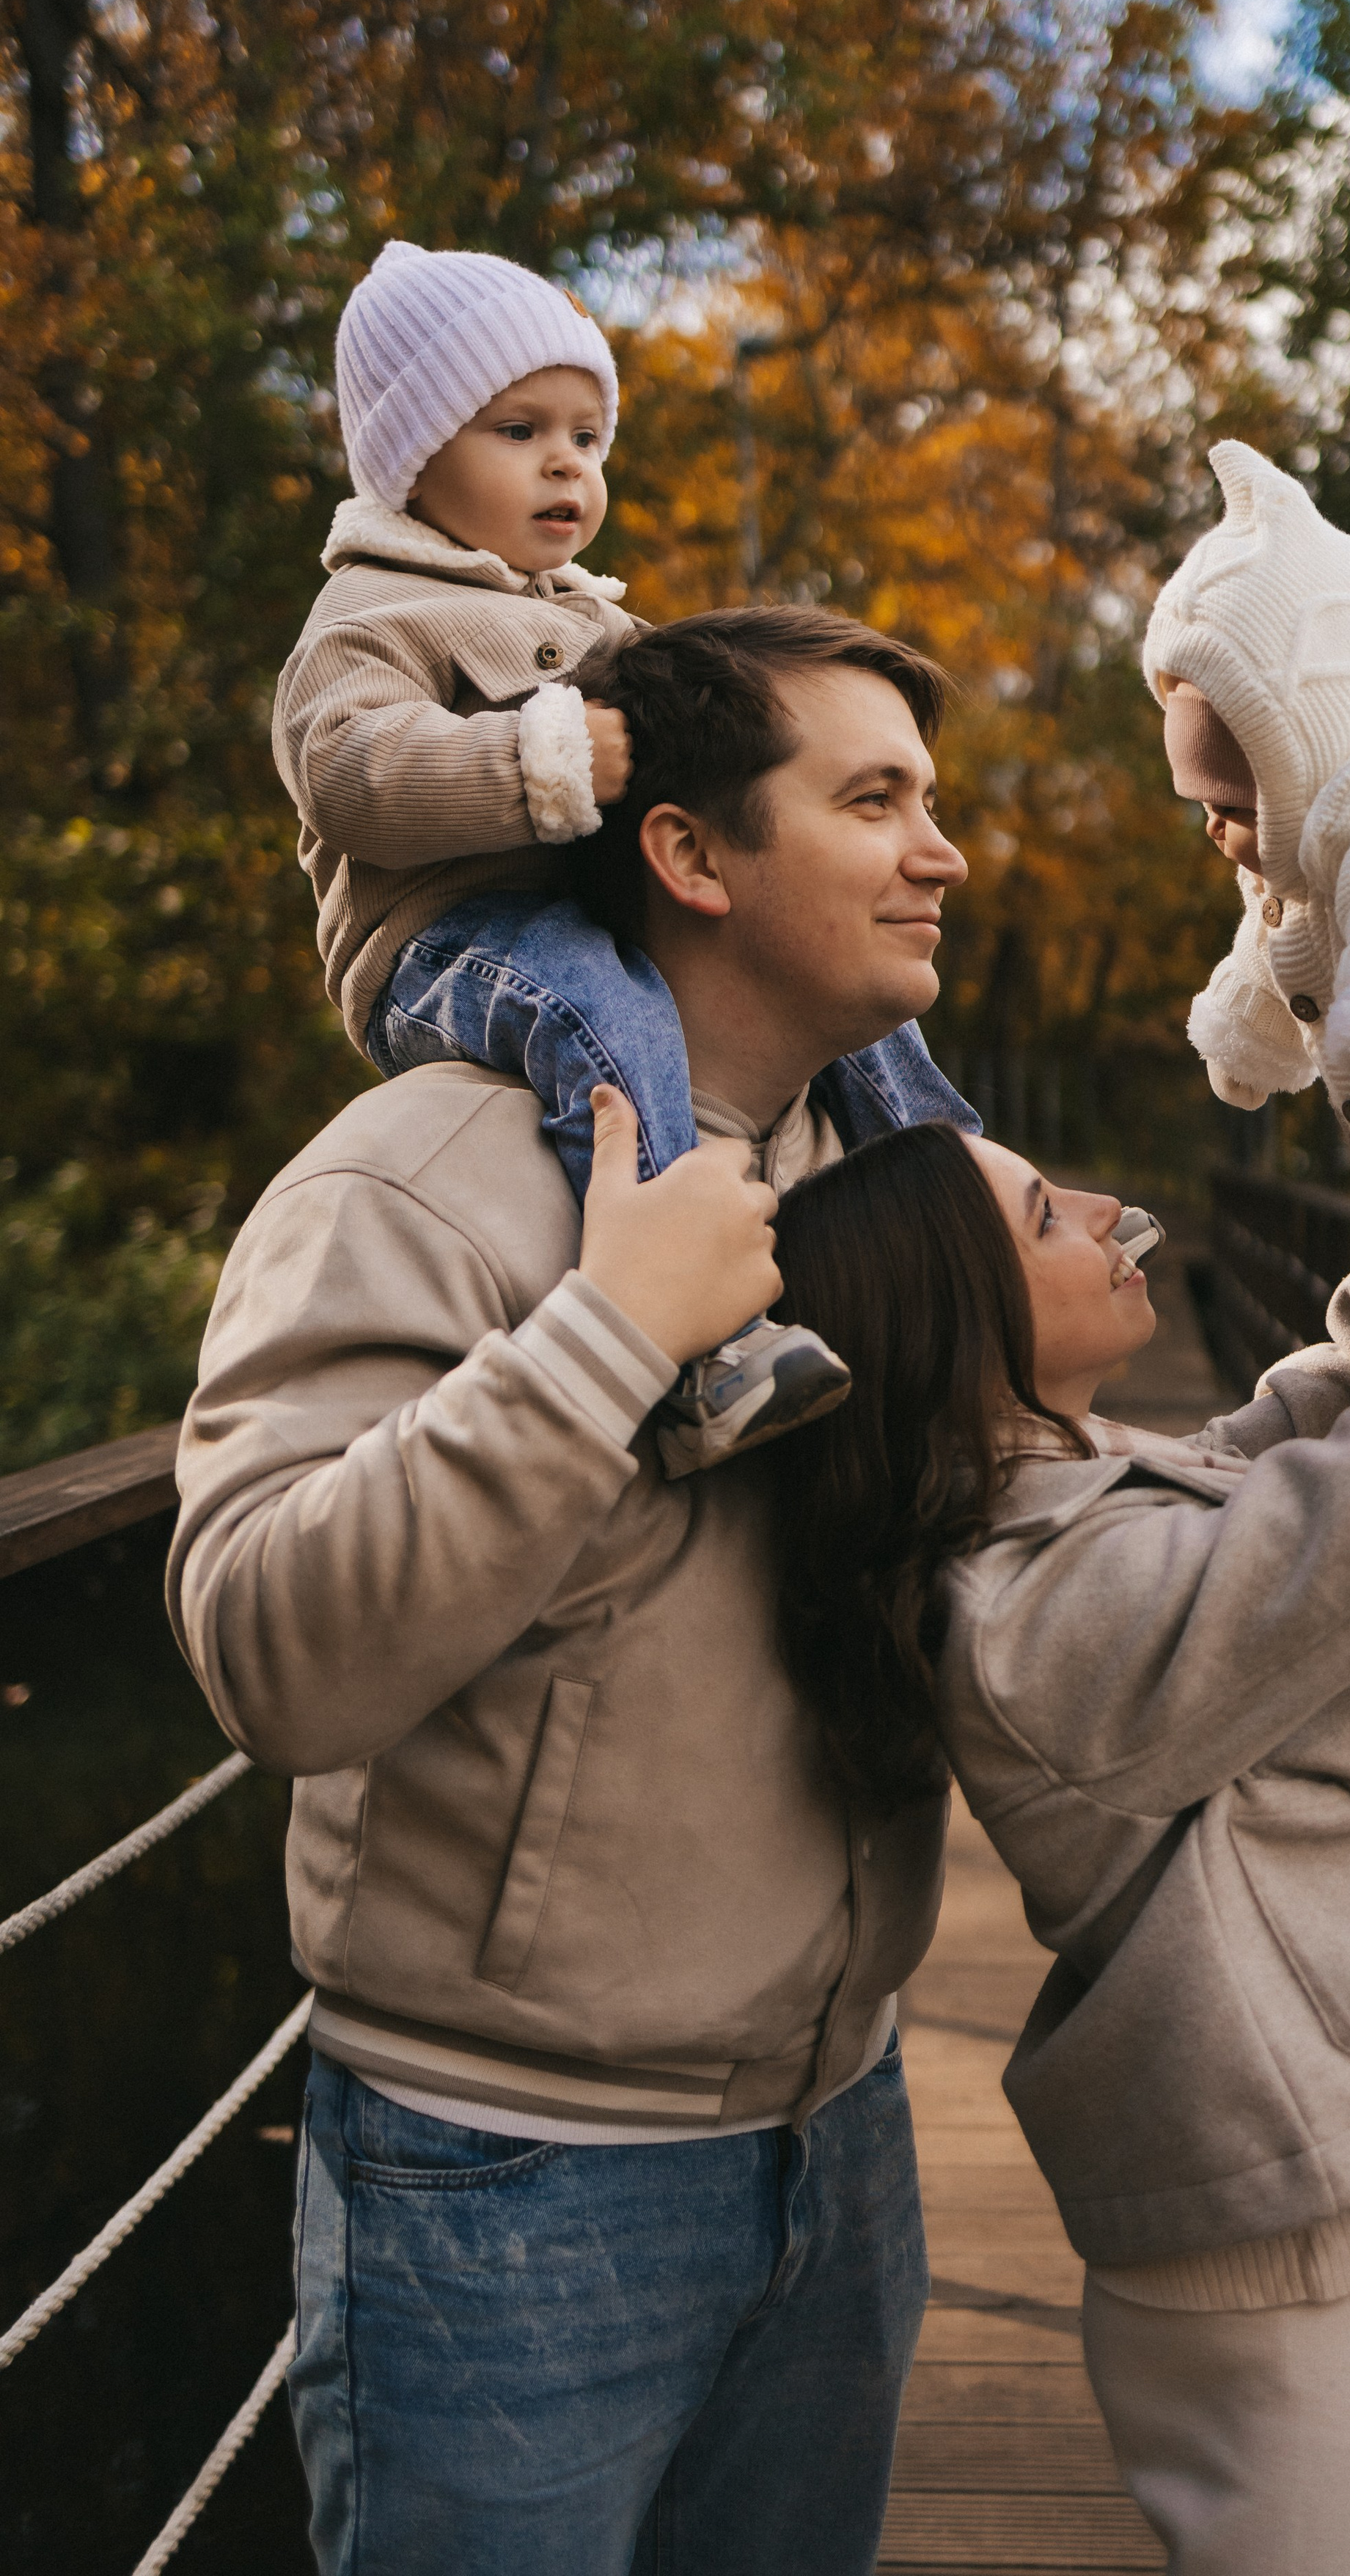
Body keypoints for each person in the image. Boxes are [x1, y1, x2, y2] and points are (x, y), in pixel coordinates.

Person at [169, 605, 975, 2576]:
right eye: (877, 802)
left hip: (845, 2138)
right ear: (691, 856)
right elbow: (267, 1645)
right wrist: (611, 1336)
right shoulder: (413, 1178)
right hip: (508, 2188)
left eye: (933, 804)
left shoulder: (875, 1177)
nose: (944, 852)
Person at [763, 860, 1350, 2576]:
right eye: (1041, 1217)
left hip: (1329, 2207)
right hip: (1279, 2269)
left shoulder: (1074, 1505)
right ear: (960, 1336)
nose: (1101, 1208)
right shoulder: (1051, 1610)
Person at [274, 237, 971, 1469]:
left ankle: (968, 1187)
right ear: (411, 459)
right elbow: (350, 778)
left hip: (564, 917)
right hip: (440, 941)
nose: (565, 463)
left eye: (588, 438)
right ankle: (696, 1338)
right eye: (518, 429)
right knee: (603, 1010)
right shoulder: (371, 618)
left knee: (867, 1000)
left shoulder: (594, 617)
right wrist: (540, 764)